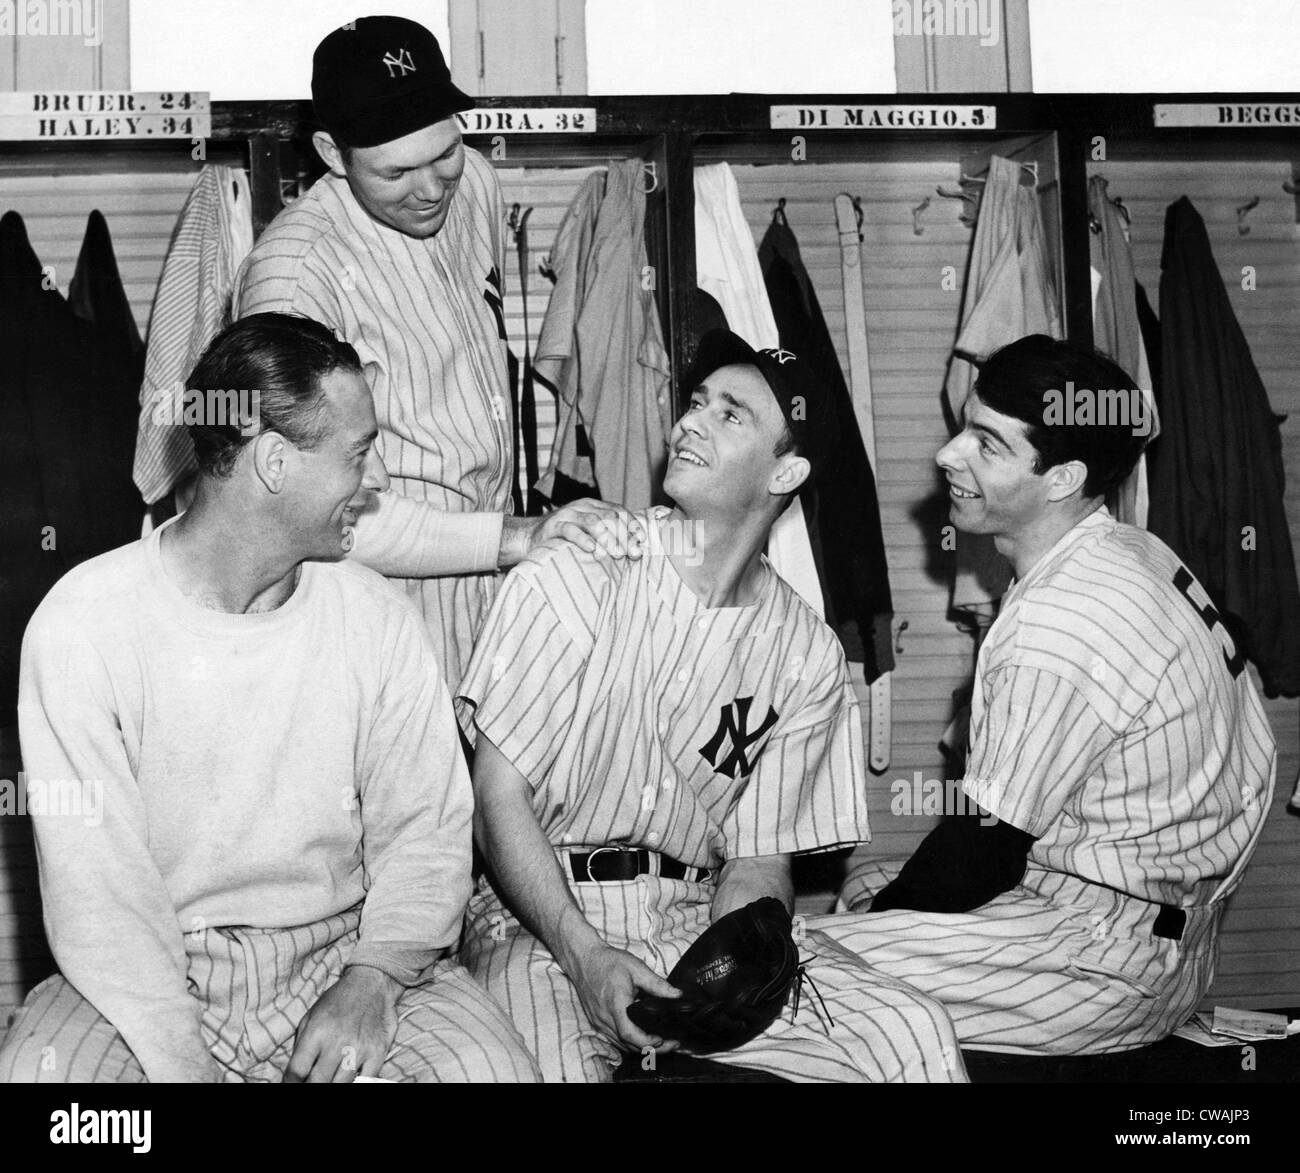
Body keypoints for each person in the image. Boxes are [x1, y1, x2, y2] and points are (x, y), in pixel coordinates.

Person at [0, 314, 541, 1083]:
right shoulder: (82, 624)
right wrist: (184, 1068)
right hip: (150, 971)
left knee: (496, 1076)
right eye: (359, 453)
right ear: (276, 462)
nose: (379, 481)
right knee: (50, 1096)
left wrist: (375, 978)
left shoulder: (376, 619)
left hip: (342, 956)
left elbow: (427, 834)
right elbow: (105, 906)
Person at [456, 329, 967, 1083]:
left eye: (732, 414)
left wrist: (731, 967)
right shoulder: (579, 569)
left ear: (786, 470)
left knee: (910, 1032)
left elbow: (759, 859)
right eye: (697, 402)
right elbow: (495, 801)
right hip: (541, 920)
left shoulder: (806, 653)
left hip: (690, 920)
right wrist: (585, 953)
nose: (691, 421)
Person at [818, 333, 1276, 1055]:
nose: (947, 455)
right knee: (865, 887)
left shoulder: (1060, 615)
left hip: (1101, 957)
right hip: (1171, 928)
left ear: (1061, 478)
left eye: (987, 444)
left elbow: (983, 853)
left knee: (789, 972)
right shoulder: (1136, 548)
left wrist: (882, 923)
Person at [235, 15, 638, 692]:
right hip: (376, 625)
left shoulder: (473, 182)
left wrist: (512, 545)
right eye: (395, 171)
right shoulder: (292, 278)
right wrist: (515, 537)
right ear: (333, 153)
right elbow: (309, 511)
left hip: (498, 601)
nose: (431, 188)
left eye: (443, 152)